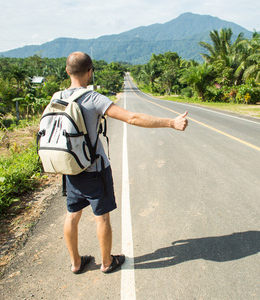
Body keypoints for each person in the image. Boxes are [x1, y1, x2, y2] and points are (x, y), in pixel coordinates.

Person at [62, 51, 188, 274]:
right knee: (101, 216)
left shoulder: (57, 97)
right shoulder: (93, 98)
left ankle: (75, 263)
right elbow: (132, 118)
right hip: (94, 169)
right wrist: (171, 122)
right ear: (90, 72)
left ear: (67, 71)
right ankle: (107, 262)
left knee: (72, 214)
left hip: (70, 167)